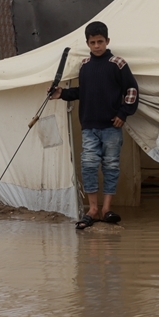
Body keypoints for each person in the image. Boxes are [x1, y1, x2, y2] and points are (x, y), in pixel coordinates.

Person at [51, 21, 139, 229]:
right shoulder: (85, 65)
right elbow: (84, 91)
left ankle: (107, 209)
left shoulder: (118, 63)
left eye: (100, 41)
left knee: (111, 166)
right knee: (89, 165)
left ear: (107, 41)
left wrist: (123, 113)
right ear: (87, 44)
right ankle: (92, 209)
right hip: (89, 126)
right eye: (93, 42)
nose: (97, 46)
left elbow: (131, 90)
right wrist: (62, 93)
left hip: (111, 127)